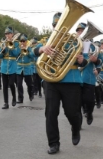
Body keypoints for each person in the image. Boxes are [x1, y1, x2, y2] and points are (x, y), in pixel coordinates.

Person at [33, 12, 87, 154]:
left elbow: (85, 59)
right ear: (53, 26)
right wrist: (41, 49)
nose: (59, 27)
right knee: (51, 113)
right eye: (56, 25)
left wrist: (82, 60)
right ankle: (53, 143)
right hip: (51, 80)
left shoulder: (75, 40)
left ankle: (75, 128)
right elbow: (32, 51)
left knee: (72, 113)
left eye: (62, 24)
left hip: (71, 80)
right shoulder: (46, 40)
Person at [78, 23, 100, 125]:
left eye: (83, 30)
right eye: (79, 31)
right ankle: (77, 124)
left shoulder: (89, 46)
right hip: (76, 77)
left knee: (90, 101)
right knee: (77, 102)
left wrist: (95, 60)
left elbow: (98, 62)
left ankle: (89, 112)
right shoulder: (74, 43)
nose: (81, 32)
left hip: (88, 78)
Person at [0, 26, 20, 109]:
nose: (7, 35)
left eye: (9, 33)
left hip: (13, 65)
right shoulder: (2, 43)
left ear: (12, 34)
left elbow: (16, 53)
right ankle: (6, 103)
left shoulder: (16, 43)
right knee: (5, 85)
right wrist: (3, 50)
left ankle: (14, 97)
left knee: (11, 83)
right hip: (4, 66)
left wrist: (11, 45)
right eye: (6, 34)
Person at [16, 34, 35, 103]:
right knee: (19, 84)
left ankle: (31, 94)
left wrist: (27, 52)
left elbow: (32, 56)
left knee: (29, 84)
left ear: (26, 41)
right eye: (21, 41)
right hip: (19, 68)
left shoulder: (29, 48)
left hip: (27, 68)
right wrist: (19, 50)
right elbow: (15, 55)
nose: (22, 42)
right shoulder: (18, 48)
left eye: (24, 41)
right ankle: (20, 99)